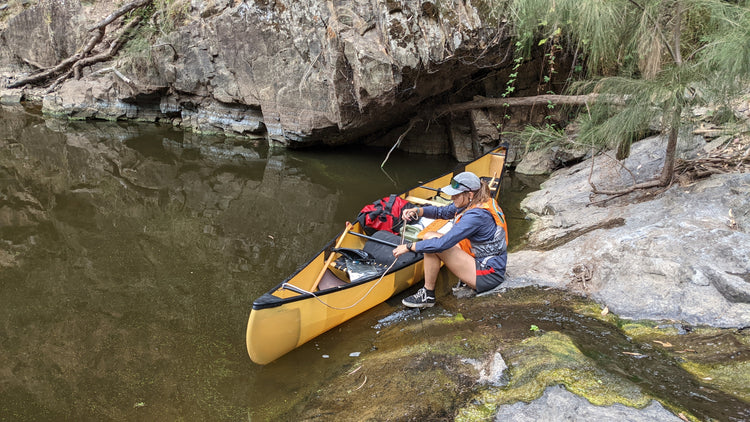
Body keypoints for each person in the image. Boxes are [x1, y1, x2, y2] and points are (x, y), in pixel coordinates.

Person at [392, 171, 508, 308]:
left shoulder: (476, 215)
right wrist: (418, 211)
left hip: (489, 274)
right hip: (480, 260)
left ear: (469, 194)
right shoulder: (473, 201)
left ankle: (427, 295)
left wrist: (408, 247)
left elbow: (443, 244)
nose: (452, 197)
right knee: (429, 236)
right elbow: (442, 212)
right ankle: (428, 293)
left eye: (455, 194)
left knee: (433, 242)